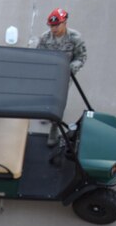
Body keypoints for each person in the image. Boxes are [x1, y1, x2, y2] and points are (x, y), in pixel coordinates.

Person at [37, 8, 87, 146]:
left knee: (58, 101)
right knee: (46, 97)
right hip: (48, 75)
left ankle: (55, 127)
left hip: (64, 76)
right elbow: (38, 56)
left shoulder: (75, 38)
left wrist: (71, 68)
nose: (53, 28)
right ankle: (46, 113)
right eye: (51, 26)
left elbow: (81, 57)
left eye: (56, 25)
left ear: (64, 23)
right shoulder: (45, 38)